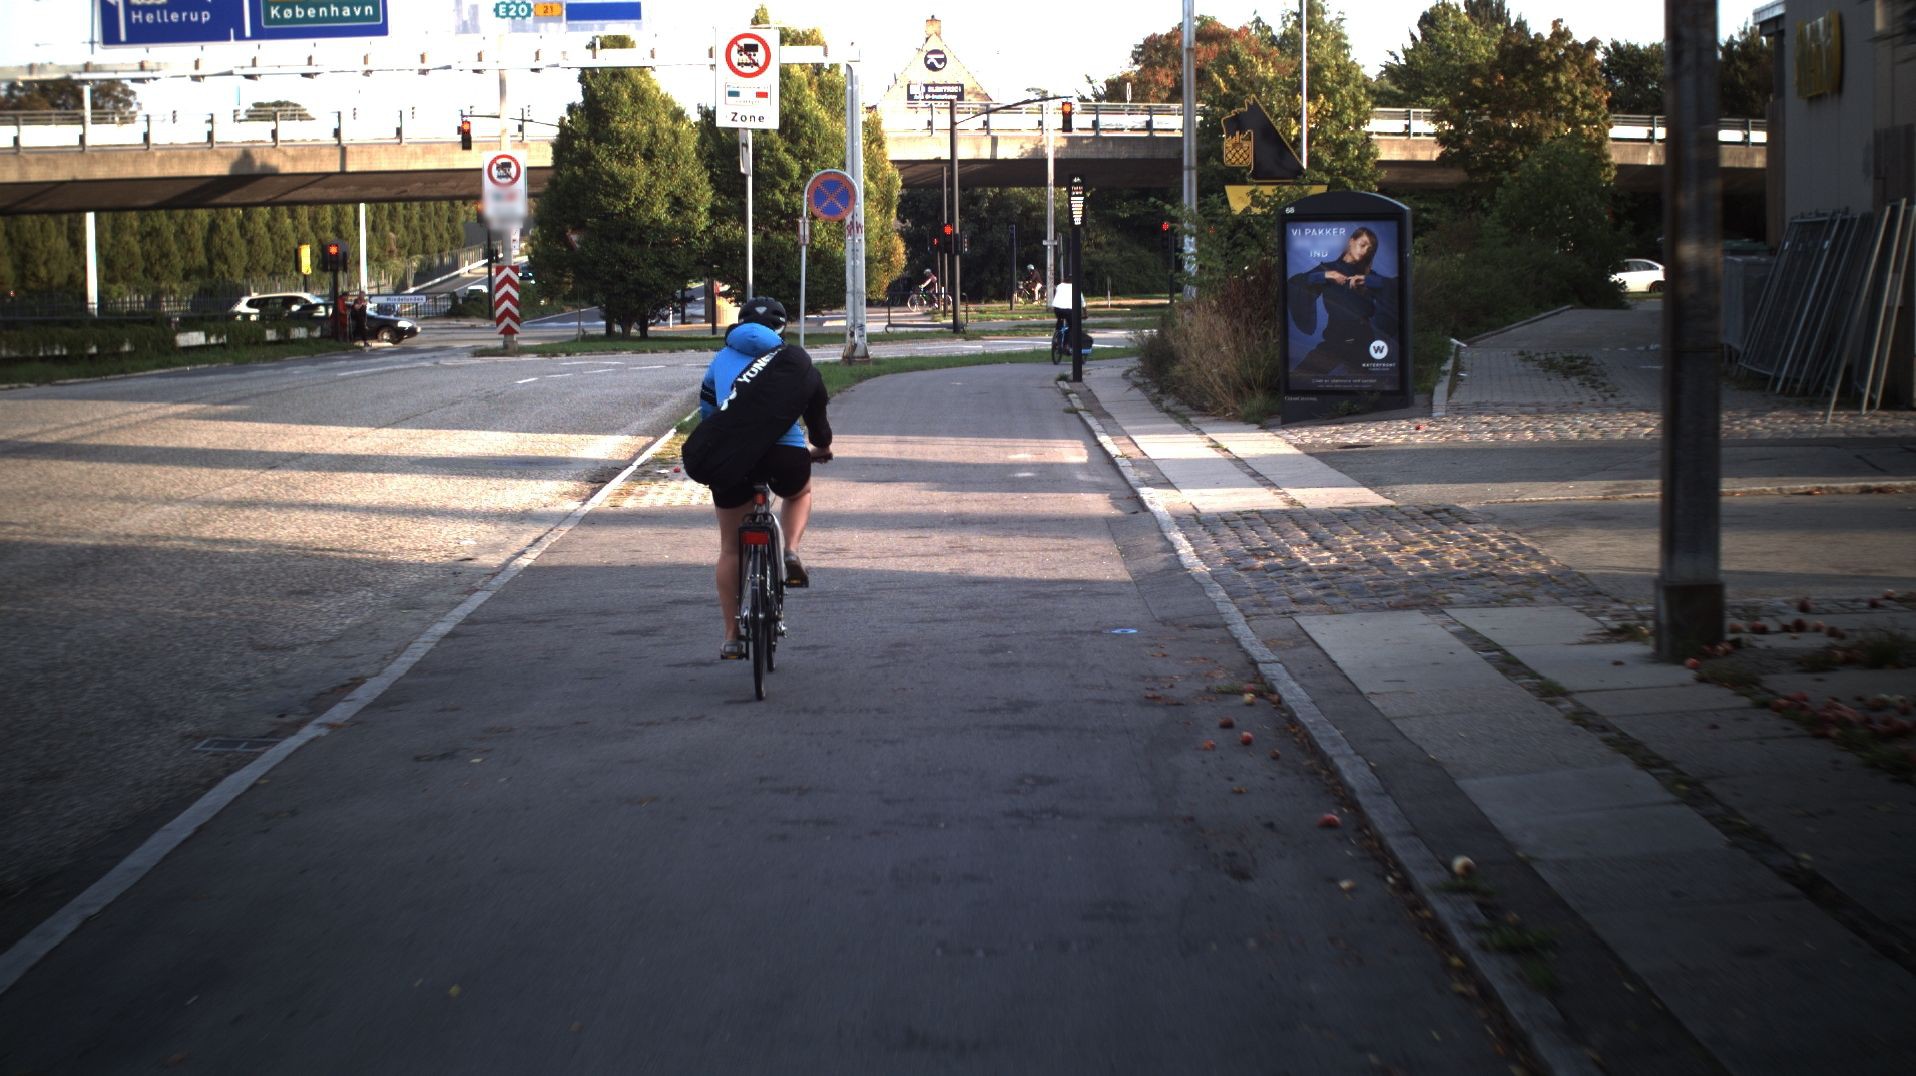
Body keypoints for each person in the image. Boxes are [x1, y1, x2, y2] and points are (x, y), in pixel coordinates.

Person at [693, 296, 834, 661]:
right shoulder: (793, 361)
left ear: (739, 325)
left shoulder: (720, 360)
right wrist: (819, 447)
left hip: (732, 460)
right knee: (799, 493)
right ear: (782, 329)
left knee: (730, 548)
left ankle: (731, 636)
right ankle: (791, 550)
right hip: (784, 455)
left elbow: (708, 412)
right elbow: (817, 417)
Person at [1286, 227, 1396, 383]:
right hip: (1334, 339)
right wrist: (1326, 275)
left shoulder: (1369, 276)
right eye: (1362, 244)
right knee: (1301, 378)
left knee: (1366, 388)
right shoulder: (1328, 268)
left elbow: (1393, 286)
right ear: (1351, 241)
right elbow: (1296, 283)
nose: (1365, 251)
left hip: (1363, 342)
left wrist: (1368, 281)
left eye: (1369, 249)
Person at [1049, 273, 1076, 343]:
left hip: (1057, 308)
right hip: (1068, 309)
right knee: (1072, 326)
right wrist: (1085, 312)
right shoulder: (1075, 286)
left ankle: (1057, 333)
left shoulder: (1059, 285)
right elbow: (1081, 301)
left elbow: (1056, 294)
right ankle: (1066, 344)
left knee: (1060, 319)